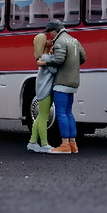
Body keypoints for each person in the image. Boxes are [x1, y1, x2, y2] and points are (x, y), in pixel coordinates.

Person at [40, 19, 86, 154]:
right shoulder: (74, 40)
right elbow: (83, 58)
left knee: (60, 113)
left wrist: (45, 62)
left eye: (50, 33)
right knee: (68, 113)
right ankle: (73, 144)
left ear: (55, 30)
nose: (50, 36)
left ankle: (64, 145)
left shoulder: (60, 41)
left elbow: (59, 60)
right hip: (73, 82)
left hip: (62, 82)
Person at [26, 32, 56, 153]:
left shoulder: (42, 57)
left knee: (39, 118)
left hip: (41, 90)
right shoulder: (46, 57)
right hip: (46, 91)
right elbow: (55, 69)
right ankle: (44, 144)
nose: (50, 41)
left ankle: (32, 142)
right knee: (43, 117)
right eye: (47, 40)